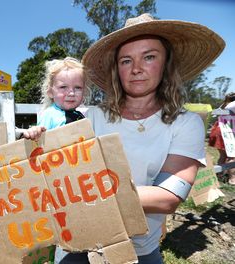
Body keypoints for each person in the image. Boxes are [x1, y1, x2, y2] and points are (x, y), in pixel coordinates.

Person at [25, 13, 225, 264]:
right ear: (117, 69)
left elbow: (166, 198)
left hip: (139, 250)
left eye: (149, 57)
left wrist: (80, 191)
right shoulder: (89, 118)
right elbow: (49, 169)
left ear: (166, 64)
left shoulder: (185, 124)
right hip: (77, 246)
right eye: (126, 60)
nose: (137, 69)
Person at [22, 57, 90, 139]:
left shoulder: (80, 116)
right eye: (63, 87)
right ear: (50, 92)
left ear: (84, 92)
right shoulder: (49, 115)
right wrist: (35, 131)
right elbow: (39, 137)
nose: (71, 93)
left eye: (78, 87)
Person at [208, 93, 235, 185]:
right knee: (232, 156)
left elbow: (215, 113)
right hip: (227, 131)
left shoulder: (226, 105)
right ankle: (232, 179)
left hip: (219, 130)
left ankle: (218, 176)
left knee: (223, 155)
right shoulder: (233, 104)